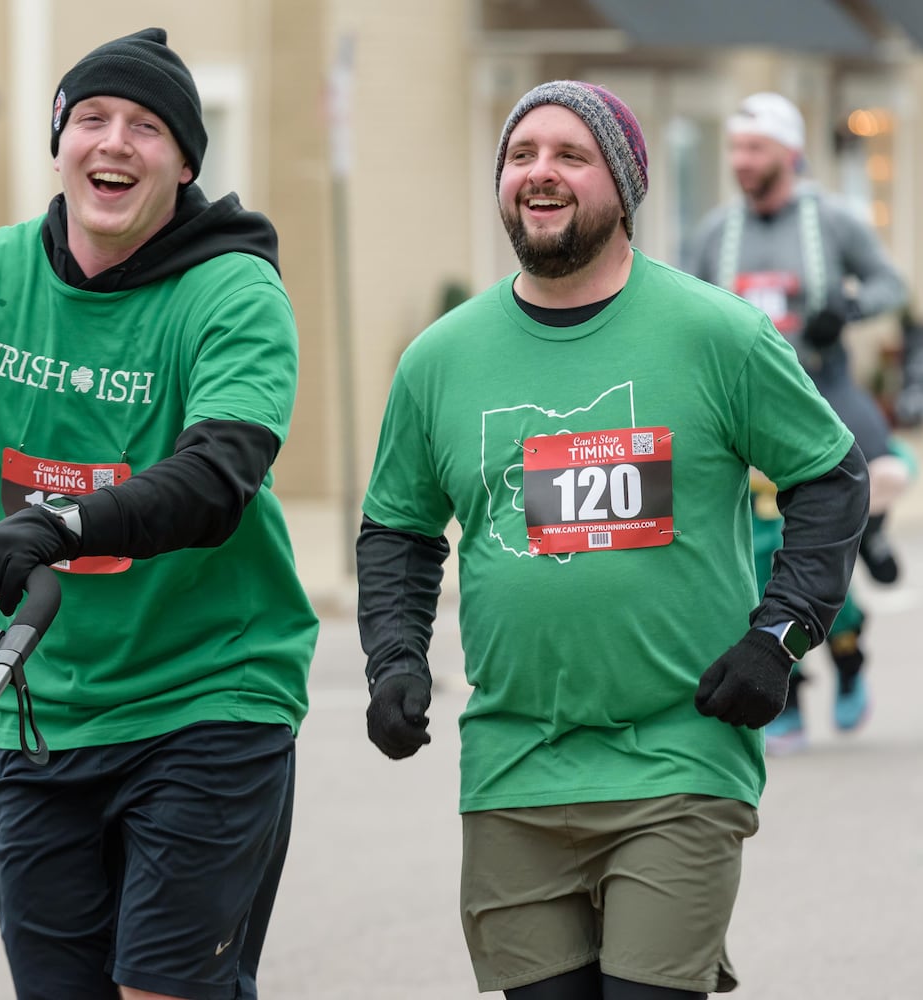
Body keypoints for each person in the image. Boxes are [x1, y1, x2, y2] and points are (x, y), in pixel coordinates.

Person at [0, 27, 317, 1000]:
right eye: (91, 118)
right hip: (39, 707)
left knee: (162, 988)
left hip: (211, 694)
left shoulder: (232, 294)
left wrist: (58, 525)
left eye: (145, 127)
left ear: (183, 163)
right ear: (58, 141)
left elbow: (216, 477)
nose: (113, 142)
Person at [358, 81, 869, 999]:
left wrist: (779, 636)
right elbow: (396, 527)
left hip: (679, 752)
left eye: (570, 155)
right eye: (521, 156)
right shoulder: (441, 358)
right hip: (514, 765)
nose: (539, 174)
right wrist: (392, 657)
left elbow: (830, 478)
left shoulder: (717, 334)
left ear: (623, 184)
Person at [685, 92, 912, 751]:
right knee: (761, 547)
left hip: (824, 384)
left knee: (880, 475)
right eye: (734, 148)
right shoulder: (713, 232)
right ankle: (788, 685)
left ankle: (869, 537)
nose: (741, 161)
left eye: (754, 148)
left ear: (788, 152)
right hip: (746, 405)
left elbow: (890, 284)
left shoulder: (834, 219)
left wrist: (847, 307)